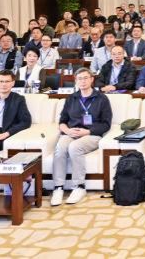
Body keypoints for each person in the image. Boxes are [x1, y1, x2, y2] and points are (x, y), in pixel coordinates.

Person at [50, 69, 112, 206]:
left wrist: (87, 132)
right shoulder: (71, 98)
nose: (82, 81)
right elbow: (62, 120)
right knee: (60, 148)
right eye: (79, 79)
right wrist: (67, 130)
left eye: (85, 78)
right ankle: (58, 187)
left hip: (91, 135)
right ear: (75, 81)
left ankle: (79, 186)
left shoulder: (102, 98)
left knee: (74, 147)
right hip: (71, 133)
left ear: (91, 79)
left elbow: (106, 124)